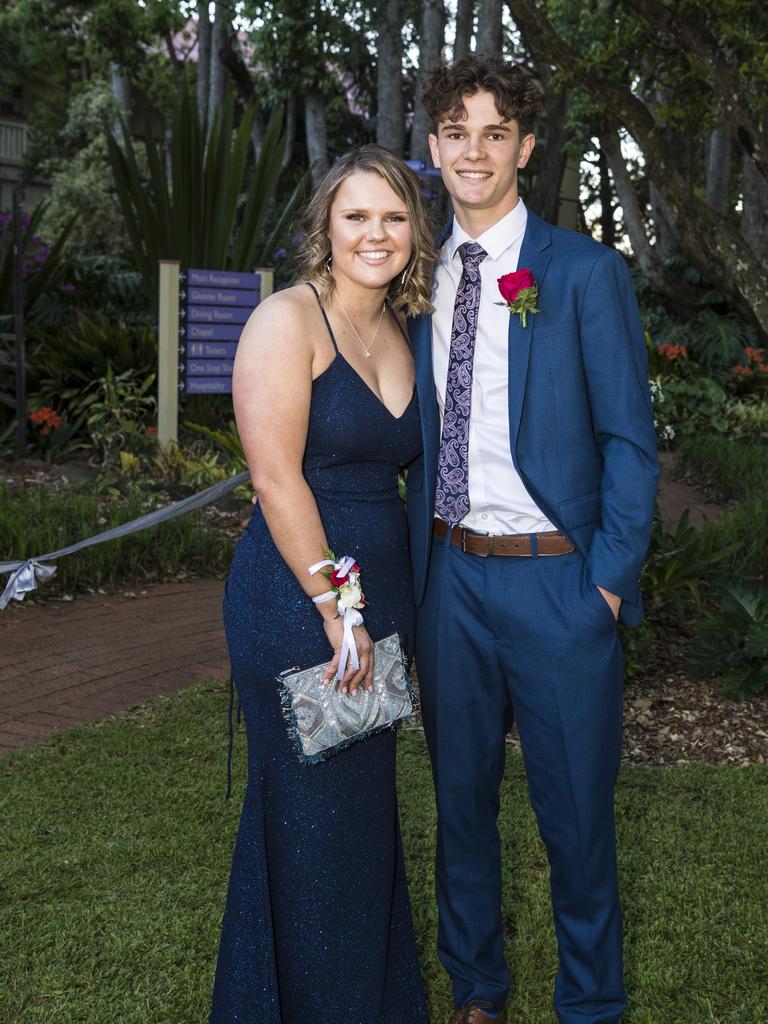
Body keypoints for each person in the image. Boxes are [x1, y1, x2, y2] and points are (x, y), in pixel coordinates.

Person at [406, 56, 659, 1024]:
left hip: (557, 582)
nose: (475, 150)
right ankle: (477, 991)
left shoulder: (580, 272)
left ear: (526, 146)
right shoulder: (415, 274)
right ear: (434, 147)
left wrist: (605, 583)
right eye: (457, 132)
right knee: (460, 806)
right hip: (449, 579)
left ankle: (590, 1002)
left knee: (576, 819)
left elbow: (629, 443)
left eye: (495, 131)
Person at [210, 144, 434, 1024]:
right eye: (356, 216)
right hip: (302, 600)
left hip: (383, 601)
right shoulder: (286, 321)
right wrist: (337, 610)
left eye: (393, 217)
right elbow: (276, 480)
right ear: (325, 229)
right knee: (311, 826)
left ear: (415, 231)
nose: (375, 234)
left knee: (362, 822)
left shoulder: (402, 330)